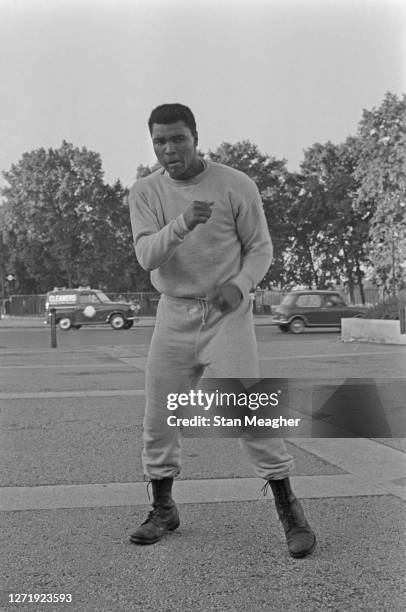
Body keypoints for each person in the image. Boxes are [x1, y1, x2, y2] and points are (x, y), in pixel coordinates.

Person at [128, 103, 316, 558]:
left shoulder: (235, 184)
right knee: (160, 415)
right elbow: (146, 255)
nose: (169, 149)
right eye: (160, 141)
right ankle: (163, 508)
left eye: (178, 138)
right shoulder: (144, 192)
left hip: (226, 313)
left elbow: (260, 249)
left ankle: (289, 509)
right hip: (174, 313)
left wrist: (240, 284)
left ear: (195, 136)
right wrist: (182, 224)